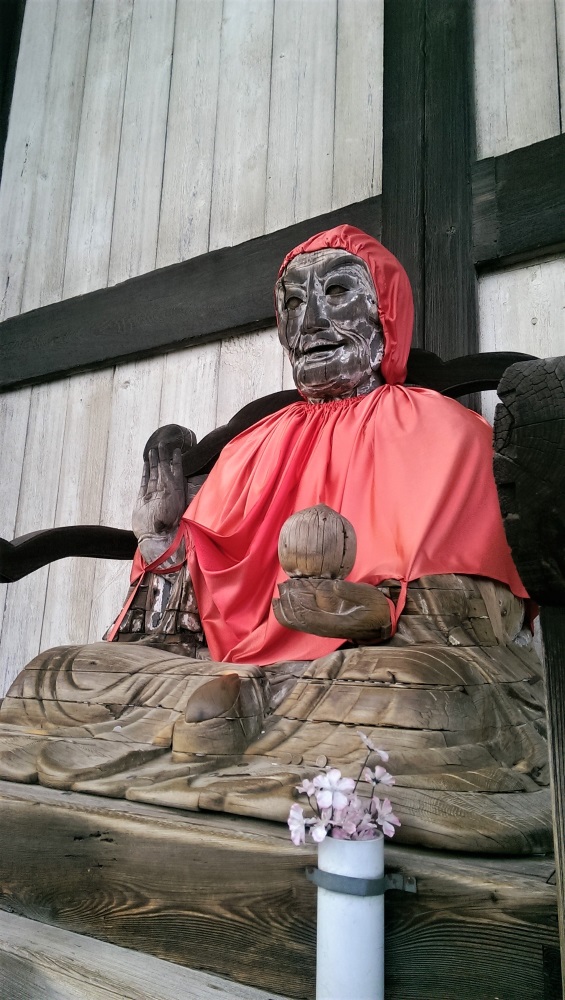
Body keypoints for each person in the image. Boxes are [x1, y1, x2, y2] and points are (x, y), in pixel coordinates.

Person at [0, 227, 551, 854]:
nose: (310, 319)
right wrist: (161, 550)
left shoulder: (444, 431)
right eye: (292, 304)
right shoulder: (252, 445)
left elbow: (476, 629)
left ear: (385, 310)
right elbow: (183, 624)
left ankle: (229, 720)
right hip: (228, 672)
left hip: (359, 675)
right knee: (59, 674)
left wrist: (356, 611)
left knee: (418, 701)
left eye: (338, 292)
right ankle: (235, 719)